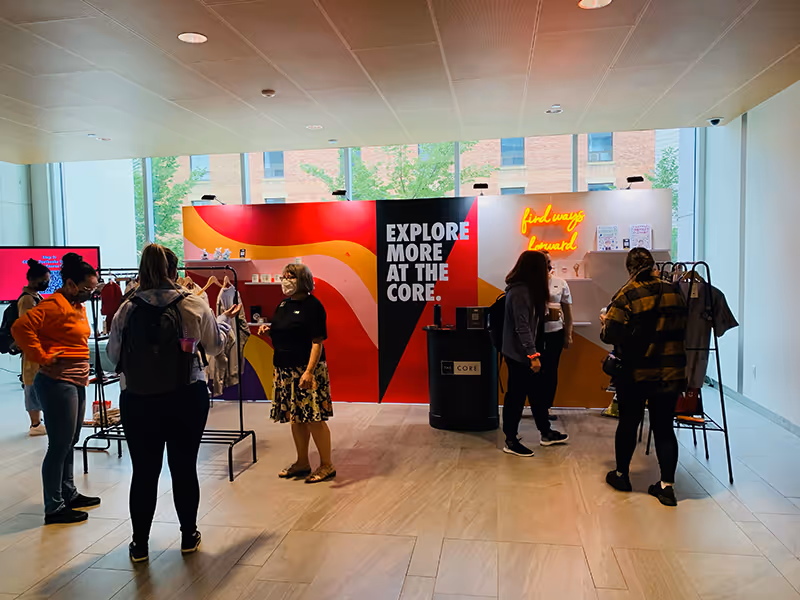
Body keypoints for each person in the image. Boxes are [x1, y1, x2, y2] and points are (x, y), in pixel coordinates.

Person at [107, 244, 240, 563]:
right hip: (186, 397)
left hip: (138, 400)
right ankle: (188, 536)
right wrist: (223, 320)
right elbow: (215, 346)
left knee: (144, 472)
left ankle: (139, 544)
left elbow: (113, 356)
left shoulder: (127, 309)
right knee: (183, 467)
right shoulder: (193, 304)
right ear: (173, 271)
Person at [12, 253, 101, 524]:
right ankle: (54, 507)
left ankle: (68, 492)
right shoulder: (54, 305)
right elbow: (20, 327)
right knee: (59, 444)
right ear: (71, 284)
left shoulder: (75, 305)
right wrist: (41, 355)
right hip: (57, 382)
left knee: (70, 440)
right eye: (87, 289)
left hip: (76, 380)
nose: (90, 294)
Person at [601, 248, 688, 507]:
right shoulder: (674, 292)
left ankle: (621, 475)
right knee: (664, 427)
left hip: (635, 372)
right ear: (653, 266)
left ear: (630, 268)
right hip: (671, 370)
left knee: (628, 422)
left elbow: (610, 334)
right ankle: (667, 486)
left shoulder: (627, 293)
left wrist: (604, 321)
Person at [258, 264, 335, 483]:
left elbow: (317, 342)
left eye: (290, 276)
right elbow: (285, 331)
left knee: (314, 418)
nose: (285, 280)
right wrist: (269, 331)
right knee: (296, 418)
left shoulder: (313, 306)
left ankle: (327, 465)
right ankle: (302, 462)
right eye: (284, 276)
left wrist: (309, 372)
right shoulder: (283, 304)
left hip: (306, 370)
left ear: (302, 280)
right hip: (284, 369)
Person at [501, 251, 569, 457]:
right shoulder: (520, 292)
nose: (549, 269)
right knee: (516, 397)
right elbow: (522, 327)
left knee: (537, 394)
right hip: (518, 354)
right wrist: (533, 355)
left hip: (524, 351)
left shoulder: (528, 290)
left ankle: (545, 432)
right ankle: (510, 440)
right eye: (545, 266)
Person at [538, 250, 573, 421]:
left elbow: (568, 312)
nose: (547, 265)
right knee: (534, 371)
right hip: (535, 334)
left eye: (548, 261)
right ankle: (536, 407)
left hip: (555, 333)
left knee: (551, 371)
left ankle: (547, 407)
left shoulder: (560, 283)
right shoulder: (528, 284)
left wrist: (568, 335)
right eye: (543, 261)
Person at [18, 259, 51, 436]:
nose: (46, 283)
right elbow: (27, 326)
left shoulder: (36, 297)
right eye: (44, 280)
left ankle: (39, 421)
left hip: (39, 349)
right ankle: (35, 424)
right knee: (31, 385)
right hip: (32, 350)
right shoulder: (27, 300)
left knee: (38, 384)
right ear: (32, 279)